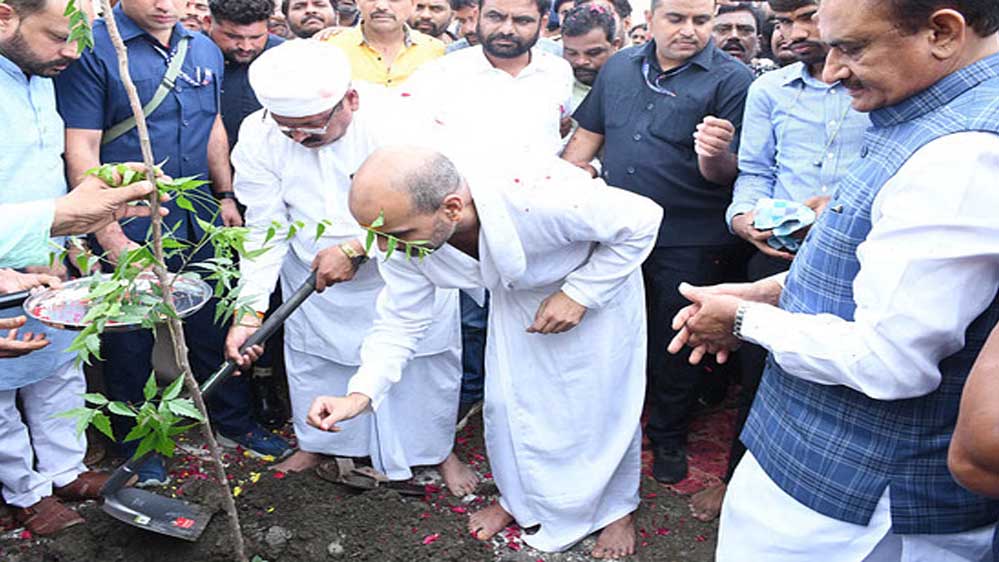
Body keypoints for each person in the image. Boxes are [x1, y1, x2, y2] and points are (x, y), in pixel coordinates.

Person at [669, 0, 999, 559]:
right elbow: (884, 275)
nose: (830, 72)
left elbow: (889, 361)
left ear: (943, 33)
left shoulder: (964, 156)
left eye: (851, 48)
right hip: (824, 478)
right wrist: (771, 291)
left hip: (859, 506)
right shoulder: (931, 112)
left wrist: (746, 320)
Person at [307, 146, 662, 557]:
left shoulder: (540, 196)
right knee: (510, 406)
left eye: (398, 235)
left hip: (598, 293)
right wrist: (359, 395)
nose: (385, 247)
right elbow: (400, 321)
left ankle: (617, 510)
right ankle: (519, 501)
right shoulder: (402, 240)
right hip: (518, 305)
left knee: (599, 408)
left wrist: (581, 294)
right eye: (375, 236)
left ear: (452, 208)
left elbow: (643, 218)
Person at [55, 0, 290, 486]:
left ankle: (231, 421)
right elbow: (82, 148)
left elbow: (212, 126)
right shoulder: (94, 50)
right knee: (129, 342)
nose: (166, 5)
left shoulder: (202, 48)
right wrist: (109, 235)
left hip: (198, 217)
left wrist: (225, 193)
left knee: (213, 323)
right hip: (130, 221)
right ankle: (139, 448)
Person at [688, 0, 869, 523]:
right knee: (760, 375)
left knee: (846, 373)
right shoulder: (768, 89)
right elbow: (754, 172)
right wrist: (743, 219)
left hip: (860, 256)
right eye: (783, 22)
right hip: (777, 254)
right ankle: (738, 482)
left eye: (807, 16)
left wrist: (840, 212)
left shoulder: (879, 80)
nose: (793, 32)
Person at [563, 0, 753, 485]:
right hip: (616, 231)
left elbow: (732, 174)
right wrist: (558, 192)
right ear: (650, 20)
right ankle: (606, 426)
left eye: (701, 20)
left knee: (676, 341)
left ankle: (668, 435)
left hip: (688, 236)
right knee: (612, 331)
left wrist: (715, 153)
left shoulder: (733, 80)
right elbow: (587, 138)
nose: (689, 30)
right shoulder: (619, 67)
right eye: (676, 19)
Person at [208, 0, 285, 148]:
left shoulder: (284, 55)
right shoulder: (189, 52)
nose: (246, 47)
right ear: (208, 23)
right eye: (233, 36)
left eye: (256, 37)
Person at [323, 0, 445, 88]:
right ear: (358, 2)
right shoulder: (330, 48)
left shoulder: (435, 50)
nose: (381, 6)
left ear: (413, 3)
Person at [561, 3, 619, 113]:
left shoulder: (632, 86)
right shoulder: (552, 88)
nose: (581, 61)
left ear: (615, 45)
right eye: (572, 53)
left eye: (593, 53)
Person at [447, 0, 563, 55]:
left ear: (542, 23)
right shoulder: (449, 66)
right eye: (495, 17)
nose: (506, 30)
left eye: (522, 21)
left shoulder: (558, 61)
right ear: (479, 15)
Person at [713, 2, 773, 76]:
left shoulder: (773, 78)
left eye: (745, 30)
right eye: (723, 29)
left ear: (759, 42)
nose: (734, 36)